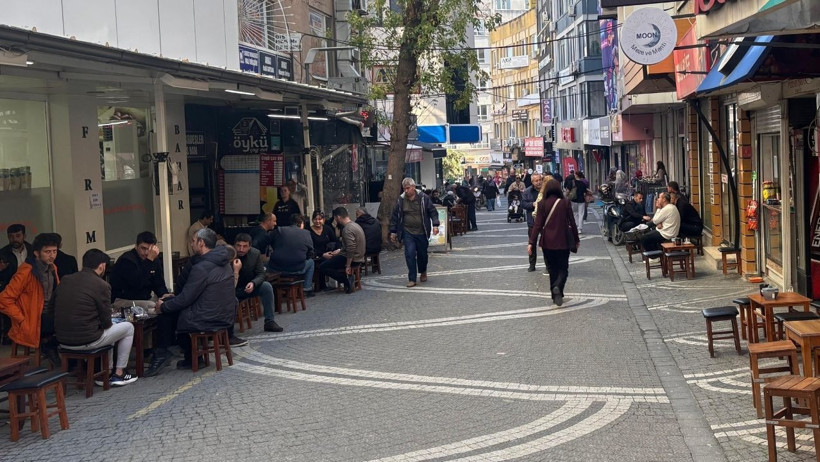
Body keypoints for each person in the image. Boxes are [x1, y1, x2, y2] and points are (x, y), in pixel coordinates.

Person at [145, 228, 237, 375]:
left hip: (208, 316)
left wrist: (164, 306)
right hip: (223, 313)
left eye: (194, 241)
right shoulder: (223, 261)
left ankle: (162, 353)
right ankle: (190, 356)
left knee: (166, 314)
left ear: (201, 243)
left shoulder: (202, 267)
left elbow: (186, 298)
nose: (191, 244)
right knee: (172, 305)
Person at [53, 249, 137, 386]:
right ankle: (119, 373)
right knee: (128, 328)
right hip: (87, 340)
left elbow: (52, 308)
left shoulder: (65, 280)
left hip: (62, 341)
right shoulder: (102, 285)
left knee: (109, 333)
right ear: (102, 266)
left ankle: (105, 373)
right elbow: (106, 322)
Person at [0, 233, 61, 365]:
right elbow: (4, 299)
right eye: (47, 252)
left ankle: (64, 355)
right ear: (36, 253)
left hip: (49, 314)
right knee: (66, 326)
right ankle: (49, 346)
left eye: (54, 251)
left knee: (77, 321)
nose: (52, 255)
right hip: (32, 318)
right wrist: (21, 319)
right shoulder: (26, 272)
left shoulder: (53, 268)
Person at [528, 178, 580, 307]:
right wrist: (576, 239)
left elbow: (537, 225)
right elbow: (572, 223)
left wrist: (531, 242)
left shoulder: (542, 204)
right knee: (563, 268)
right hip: (563, 241)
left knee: (552, 269)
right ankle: (558, 288)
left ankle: (555, 295)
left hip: (547, 242)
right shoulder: (565, 203)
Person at [389, 178, 440, 287]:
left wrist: (435, 225)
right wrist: (393, 231)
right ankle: (412, 278)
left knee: (422, 255)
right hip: (408, 232)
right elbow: (395, 217)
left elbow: (432, 212)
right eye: (404, 189)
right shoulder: (401, 200)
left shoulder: (423, 198)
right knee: (409, 254)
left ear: (413, 187)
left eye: (408, 188)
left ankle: (423, 271)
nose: (406, 191)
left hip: (422, 231)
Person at [109, 231, 170, 310]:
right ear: (136, 246)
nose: (146, 252)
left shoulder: (154, 259)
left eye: (149, 249)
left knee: (169, 303)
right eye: (143, 248)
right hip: (124, 299)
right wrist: (149, 261)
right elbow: (137, 284)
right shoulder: (126, 260)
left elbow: (159, 282)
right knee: (152, 306)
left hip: (145, 298)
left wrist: (164, 295)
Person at [234, 234, 282, 333]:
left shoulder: (255, 253)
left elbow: (261, 273)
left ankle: (269, 321)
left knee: (266, 286)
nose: (241, 249)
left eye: (245, 246)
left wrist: (253, 283)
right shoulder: (229, 254)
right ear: (234, 245)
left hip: (248, 286)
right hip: (232, 289)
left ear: (250, 246)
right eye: (238, 245)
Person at [320, 207, 366, 293]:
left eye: (335, 218)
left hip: (352, 258)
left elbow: (351, 249)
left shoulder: (347, 229)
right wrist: (340, 251)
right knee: (331, 260)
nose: (335, 220)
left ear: (338, 217)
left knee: (323, 266)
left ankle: (346, 281)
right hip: (359, 256)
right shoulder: (355, 225)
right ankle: (349, 279)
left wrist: (348, 265)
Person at [267, 214, 315, 296]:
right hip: (296, 268)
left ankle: (270, 291)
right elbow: (310, 252)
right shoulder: (306, 233)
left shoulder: (279, 230)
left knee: (264, 265)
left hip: (275, 268)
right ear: (301, 223)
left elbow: (269, 242)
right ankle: (307, 288)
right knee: (311, 262)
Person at [521, 173, 544, 272]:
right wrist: (532, 204)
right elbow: (523, 204)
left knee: (547, 244)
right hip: (532, 222)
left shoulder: (546, 190)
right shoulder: (527, 192)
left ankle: (548, 265)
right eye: (536, 181)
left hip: (545, 222)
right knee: (532, 243)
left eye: (540, 180)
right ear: (532, 182)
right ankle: (532, 264)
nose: (539, 182)